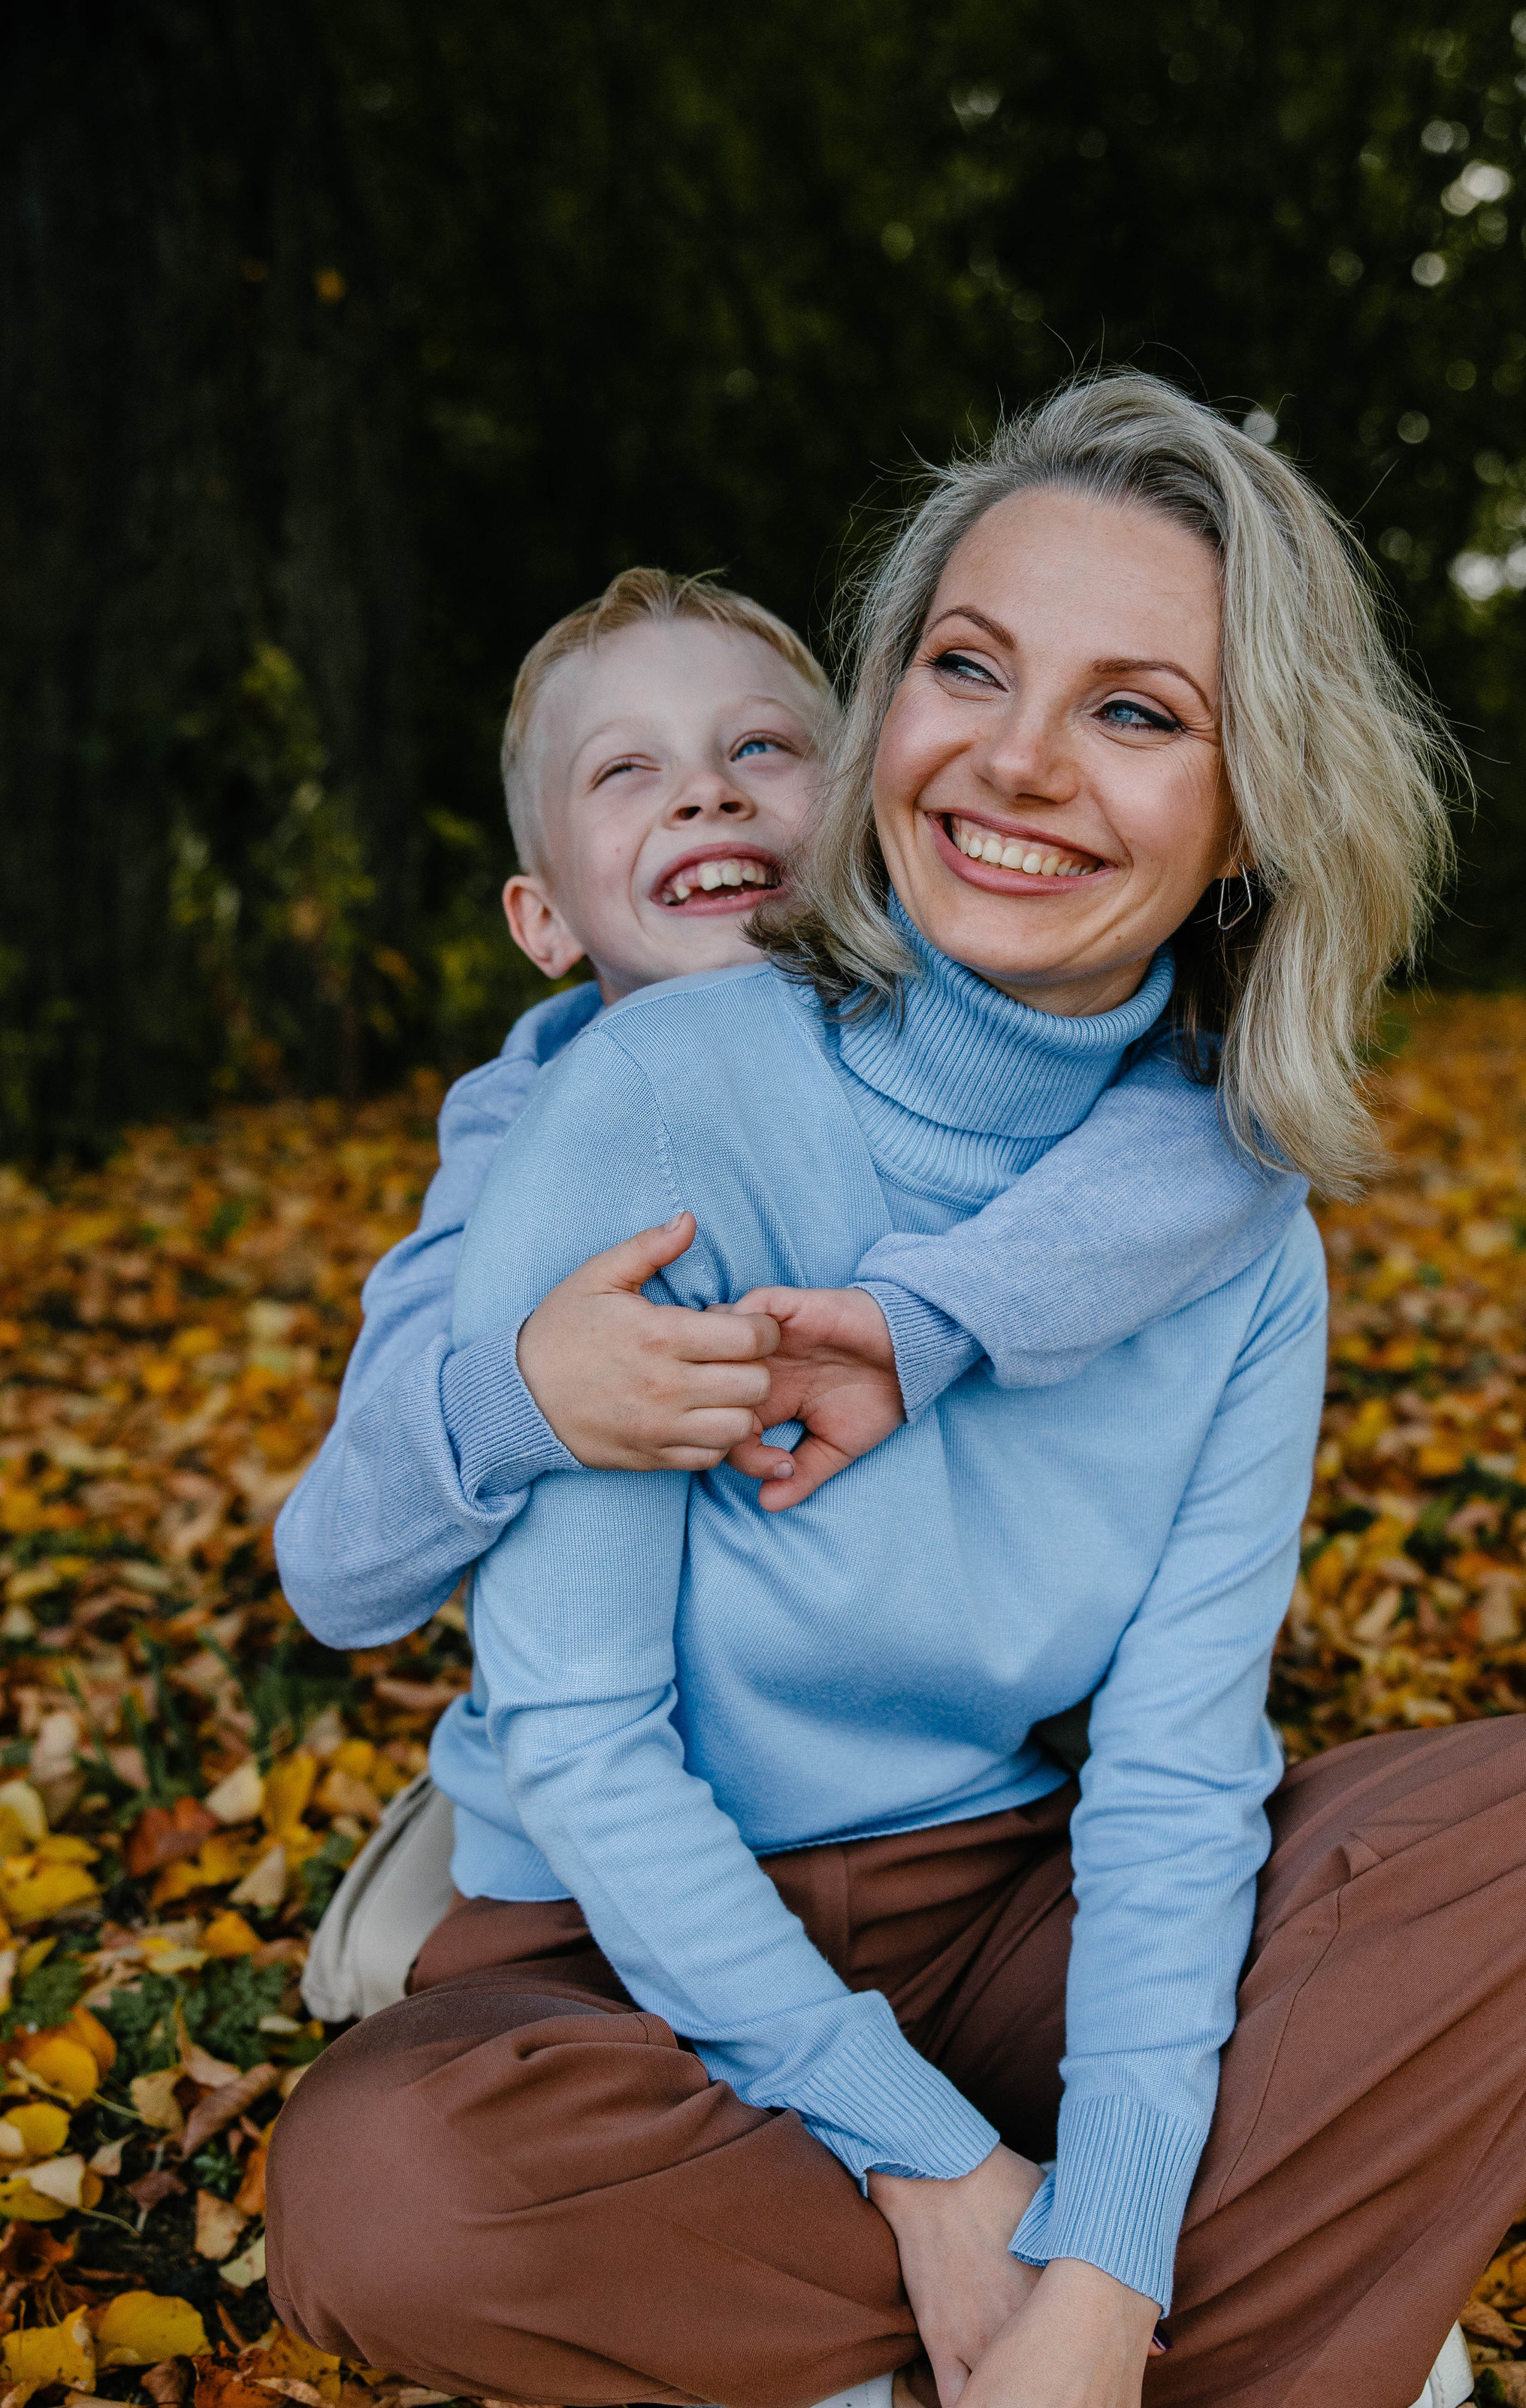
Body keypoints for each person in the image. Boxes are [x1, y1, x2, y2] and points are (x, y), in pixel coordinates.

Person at [267, 374, 1526, 2408]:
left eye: (1137, 711)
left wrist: (1104, 2271)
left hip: (994, 1898)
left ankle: (927, 2403)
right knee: (382, 2195)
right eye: (972, 667)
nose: (1020, 763)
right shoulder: (658, 1093)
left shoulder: (1225, 1223)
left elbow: (1172, 1781)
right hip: (632, 1958)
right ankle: (1222, 2302)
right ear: (891, 710)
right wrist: (948, 2183)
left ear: (1251, 812)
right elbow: (581, 1734)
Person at [276, 564, 1301, 2010]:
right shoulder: (519, 1144)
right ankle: (452, 1848)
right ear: (543, 920)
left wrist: (924, 1319)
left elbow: (1228, 1148)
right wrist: (523, 1400)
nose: (707, 793)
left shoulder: (983, 1053)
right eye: (627, 771)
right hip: (601, 1797)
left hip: (949, 1783)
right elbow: (336, 1566)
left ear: (867, 807)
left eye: (761, 747)